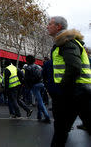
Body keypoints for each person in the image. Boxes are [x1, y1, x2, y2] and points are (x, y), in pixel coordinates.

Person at [47, 16, 91, 146]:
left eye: (50, 24)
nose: (47, 26)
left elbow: (74, 67)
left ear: (58, 26)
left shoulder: (66, 42)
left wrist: (62, 89)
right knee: (61, 131)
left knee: (60, 131)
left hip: (73, 93)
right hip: (79, 92)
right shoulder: (66, 42)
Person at [24, 55, 50, 123]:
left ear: (27, 61)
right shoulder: (39, 67)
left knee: (40, 101)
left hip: (35, 85)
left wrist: (28, 87)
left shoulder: (28, 68)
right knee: (39, 100)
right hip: (42, 84)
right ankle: (39, 115)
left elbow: (26, 79)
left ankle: (47, 116)